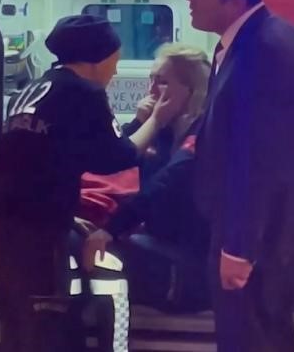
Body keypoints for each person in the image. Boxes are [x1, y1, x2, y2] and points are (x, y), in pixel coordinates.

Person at [0, 15, 187, 352]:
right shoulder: (84, 93)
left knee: (19, 327)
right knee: (41, 334)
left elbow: (47, 160)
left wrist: (70, 215)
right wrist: (158, 120)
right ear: (97, 59)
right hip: (33, 234)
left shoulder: (38, 87)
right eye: (114, 61)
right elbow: (117, 157)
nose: (115, 71)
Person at [186, 0, 294, 352]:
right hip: (266, 226)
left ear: (235, 1)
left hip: (261, 232)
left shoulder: (262, 50)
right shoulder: (264, 36)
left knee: (250, 338)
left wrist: (239, 247)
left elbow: (255, 159)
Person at [77, 43, 212, 351]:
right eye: (151, 79)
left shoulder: (204, 132)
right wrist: (142, 124)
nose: (150, 90)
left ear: (190, 90)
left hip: (190, 261)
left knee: (107, 256)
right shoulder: (164, 130)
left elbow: (164, 185)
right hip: (160, 241)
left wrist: (110, 229)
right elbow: (113, 164)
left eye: (161, 82)